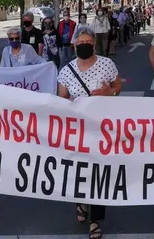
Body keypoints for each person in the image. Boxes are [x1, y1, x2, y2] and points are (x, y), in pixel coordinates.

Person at [57, 25, 122, 239]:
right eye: (80, 43)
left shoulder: (106, 64)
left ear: (94, 44)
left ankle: (95, 220)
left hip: (102, 129)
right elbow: (61, 98)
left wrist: (108, 92)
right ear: (74, 45)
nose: (84, 45)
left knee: (98, 173)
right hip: (77, 131)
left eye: (88, 42)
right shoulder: (66, 71)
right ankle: (80, 201)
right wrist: (72, 102)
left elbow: (118, 87)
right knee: (78, 171)